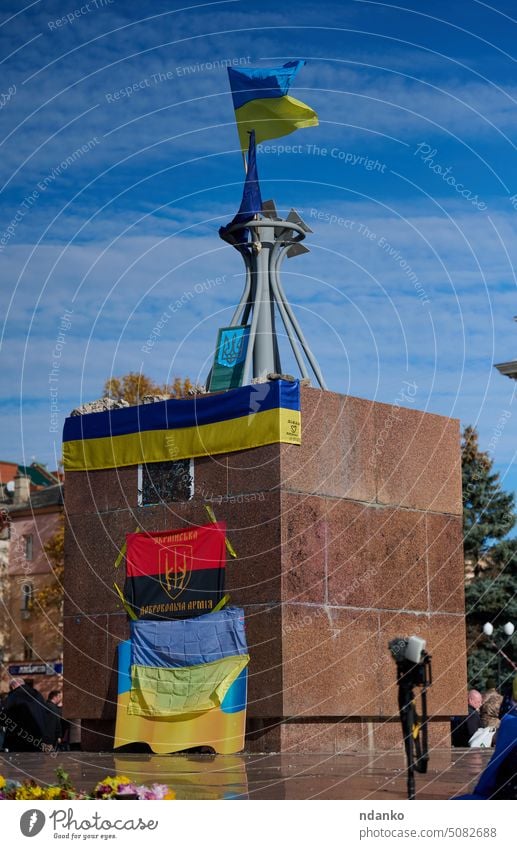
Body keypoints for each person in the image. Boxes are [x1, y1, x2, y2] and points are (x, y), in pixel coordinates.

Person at [3, 677, 47, 752]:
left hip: (19, 739)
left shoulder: (13, 696)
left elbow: (6, 716)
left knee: (19, 762)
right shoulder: (38, 695)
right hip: (38, 737)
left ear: (13, 687)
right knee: (36, 761)